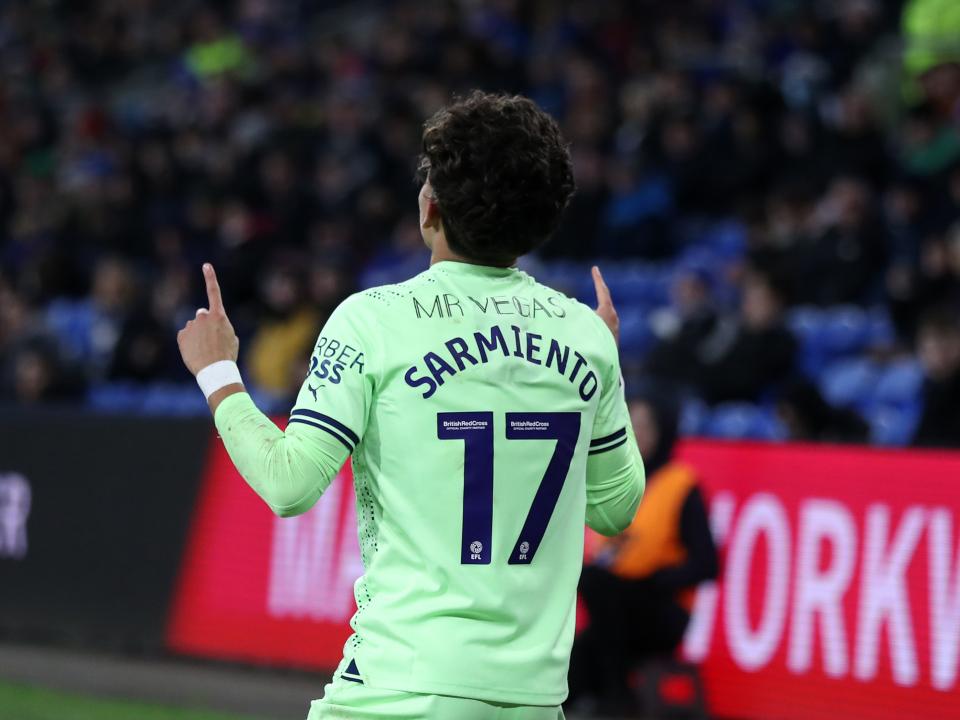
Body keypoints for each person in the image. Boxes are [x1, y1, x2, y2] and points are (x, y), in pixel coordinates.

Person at [176, 91, 645, 720]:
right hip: (533, 700)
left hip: (399, 691)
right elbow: (615, 510)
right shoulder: (585, 337)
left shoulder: (373, 321)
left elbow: (289, 484)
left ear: (429, 209)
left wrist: (217, 372)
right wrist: (606, 372)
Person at [568, 389, 718, 716]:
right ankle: (608, 699)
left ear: (664, 430)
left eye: (647, 426)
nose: (638, 434)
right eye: (631, 425)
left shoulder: (681, 484)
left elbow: (708, 563)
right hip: (617, 606)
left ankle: (618, 697)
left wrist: (658, 580)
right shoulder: (620, 481)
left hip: (662, 608)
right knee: (575, 663)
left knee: (596, 585)